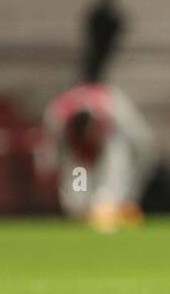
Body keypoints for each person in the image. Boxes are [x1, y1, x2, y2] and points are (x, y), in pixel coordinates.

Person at [41, 82, 155, 231]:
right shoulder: (56, 117)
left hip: (114, 142)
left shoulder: (116, 110)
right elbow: (53, 155)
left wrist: (129, 196)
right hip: (75, 151)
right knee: (76, 202)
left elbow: (143, 146)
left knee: (110, 195)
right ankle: (94, 214)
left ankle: (108, 210)